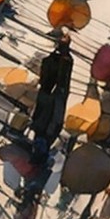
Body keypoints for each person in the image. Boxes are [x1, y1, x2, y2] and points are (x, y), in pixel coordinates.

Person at [30, 35, 73, 163]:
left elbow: (54, 119)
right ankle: (63, 51)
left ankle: (62, 51)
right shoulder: (46, 136)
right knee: (60, 78)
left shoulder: (44, 136)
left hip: (48, 102)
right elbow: (56, 119)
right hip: (51, 102)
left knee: (56, 78)